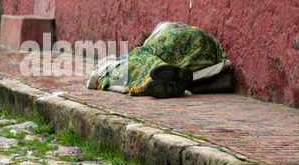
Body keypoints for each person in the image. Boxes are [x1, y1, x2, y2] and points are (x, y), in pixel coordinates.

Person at [87, 22, 232, 99]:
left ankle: (164, 75)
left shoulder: (150, 45)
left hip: (179, 40)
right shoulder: (179, 28)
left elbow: (143, 52)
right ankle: (175, 76)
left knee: (138, 57)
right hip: (206, 45)